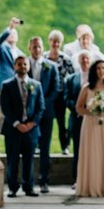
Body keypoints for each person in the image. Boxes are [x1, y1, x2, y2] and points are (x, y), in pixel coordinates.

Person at [0, 55, 45, 198]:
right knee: (12, 159)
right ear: (14, 66)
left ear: (29, 66)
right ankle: (12, 187)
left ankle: (29, 187)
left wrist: (31, 124)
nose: (23, 66)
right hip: (13, 129)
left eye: (25, 64)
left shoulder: (36, 85)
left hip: (31, 130)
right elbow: (5, 108)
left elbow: (41, 107)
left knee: (29, 160)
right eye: (19, 64)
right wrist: (17, 124)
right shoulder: (7, 85)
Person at [75, 59, 104, 198]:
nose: (101, 71)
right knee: (91, 153)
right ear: (94, 71)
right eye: (98, 68)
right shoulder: (87, 88)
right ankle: (89, 187)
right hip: (90, 124)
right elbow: (78, 107)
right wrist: (92, 111)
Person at [26, 36, 59, 192]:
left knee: (45, 147)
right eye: (34, 47)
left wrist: (42, 104)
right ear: (29, 48)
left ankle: (44, 180)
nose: (37, 50)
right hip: (28, 114)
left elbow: (56, 89)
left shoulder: (51, 66)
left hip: (46, 112)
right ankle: (28, 182)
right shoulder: (23, 64)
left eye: (39, 47)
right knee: (29, 147)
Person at [45, 30, 75, 154]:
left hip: (61, 94)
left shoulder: (66, 59)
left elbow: (72, 75)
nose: (55, 44)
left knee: (61, 121)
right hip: (46, 94)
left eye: (58, 42)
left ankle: (65, 146)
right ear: (49, 41)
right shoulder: (44, 57)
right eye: (53, 41)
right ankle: (41, 146)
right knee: (45, 121)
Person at [65, 49, 93, 182]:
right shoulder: (71, 79)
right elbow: (67, 98)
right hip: (76, 118)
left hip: (93, 118)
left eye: (87, 58)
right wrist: (78, 108)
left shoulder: (96, 79)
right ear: (78, 61)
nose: (85, 61)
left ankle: (91, 177)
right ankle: (77, 179)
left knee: (92, 149)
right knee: (77, 149)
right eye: (82, 59)